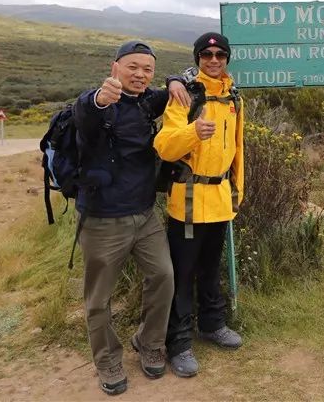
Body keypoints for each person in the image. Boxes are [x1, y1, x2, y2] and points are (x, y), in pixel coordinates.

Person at [74, 40, 187, 396]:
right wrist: (99, 99)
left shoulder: (144, 103)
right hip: (103, 220)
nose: (140, 74)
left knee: (164, 276)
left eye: (147, 69)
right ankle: (107, 358)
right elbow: (85, 112)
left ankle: (149, 341)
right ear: (115, 68)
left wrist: (172, 80)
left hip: (144, 215)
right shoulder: (97, 102)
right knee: (98, 299)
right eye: (132, 67)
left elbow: (171, 89)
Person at [155, 31, 245, 379]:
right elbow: (164, 146)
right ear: (197, 59)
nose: (213, 60)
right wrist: (194, 132)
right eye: (206, 56)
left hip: (220, 200)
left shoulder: (234, 98)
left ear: (226, 60)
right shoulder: (184, 94)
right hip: (188, 204)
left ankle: (212, 324)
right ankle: (177, 343)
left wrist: (238, 190)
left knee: (210, 269)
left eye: (220, 55)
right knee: (182, 274)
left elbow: (239, 149)